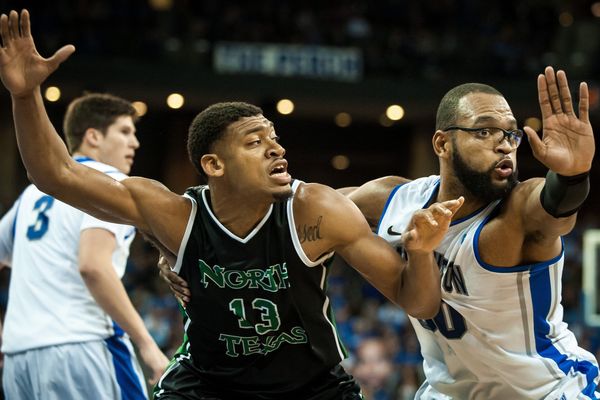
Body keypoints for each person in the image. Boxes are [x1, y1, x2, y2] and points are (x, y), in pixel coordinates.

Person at [0, 9, 466, 399]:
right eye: (255, 141)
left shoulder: (314, 209)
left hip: (310, 387)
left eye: (275, 138)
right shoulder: (176, 215)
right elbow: (55, 175)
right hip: (206, 385)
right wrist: (25, 95)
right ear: (214, 165)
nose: (276, 148)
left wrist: (421, 253)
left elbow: (418, 300)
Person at [343, 69, 596, 399]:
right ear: (442, 143)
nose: (504, 145)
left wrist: (573, 176)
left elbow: (555, 210)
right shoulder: (394, 201)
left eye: (510, 134)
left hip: (546, 391)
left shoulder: (517, 212)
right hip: (450, 391)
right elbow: (312, 209)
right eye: (486, 131)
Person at [0, 91, 169, 399]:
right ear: (93, 137)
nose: (135, 143)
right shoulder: (109, 183)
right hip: (82, 345)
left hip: (18, 355)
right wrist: (147, 344)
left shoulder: (31, 194)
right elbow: (93, 266)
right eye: (125, 131)